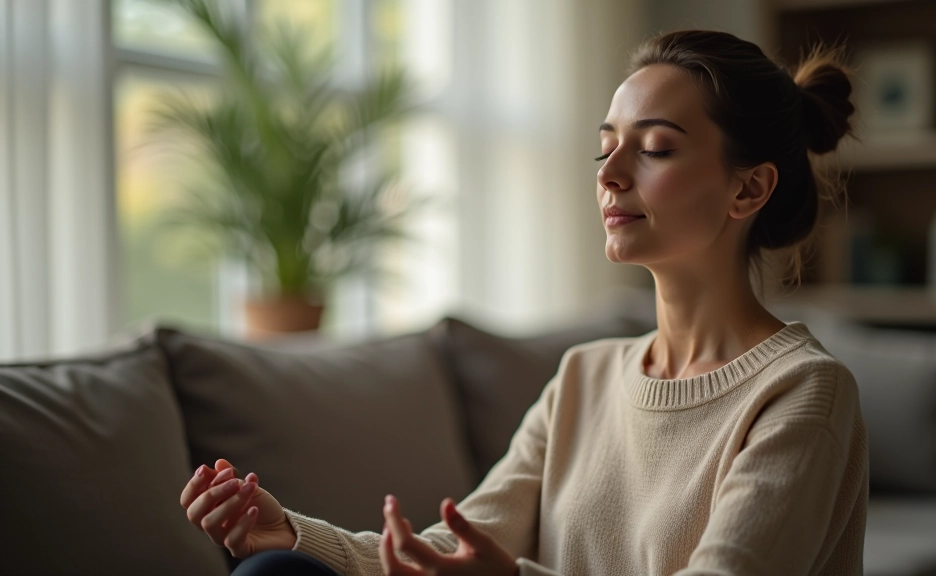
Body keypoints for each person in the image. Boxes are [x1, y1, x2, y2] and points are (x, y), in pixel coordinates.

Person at [180, 29, 868, 576]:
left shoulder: (803, 393)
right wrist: (291, 533)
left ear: (747, 191)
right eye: (606, 148)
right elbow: (444, 555)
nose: (612, 174)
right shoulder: (584, 377)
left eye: (655, 148)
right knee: (274, 572)